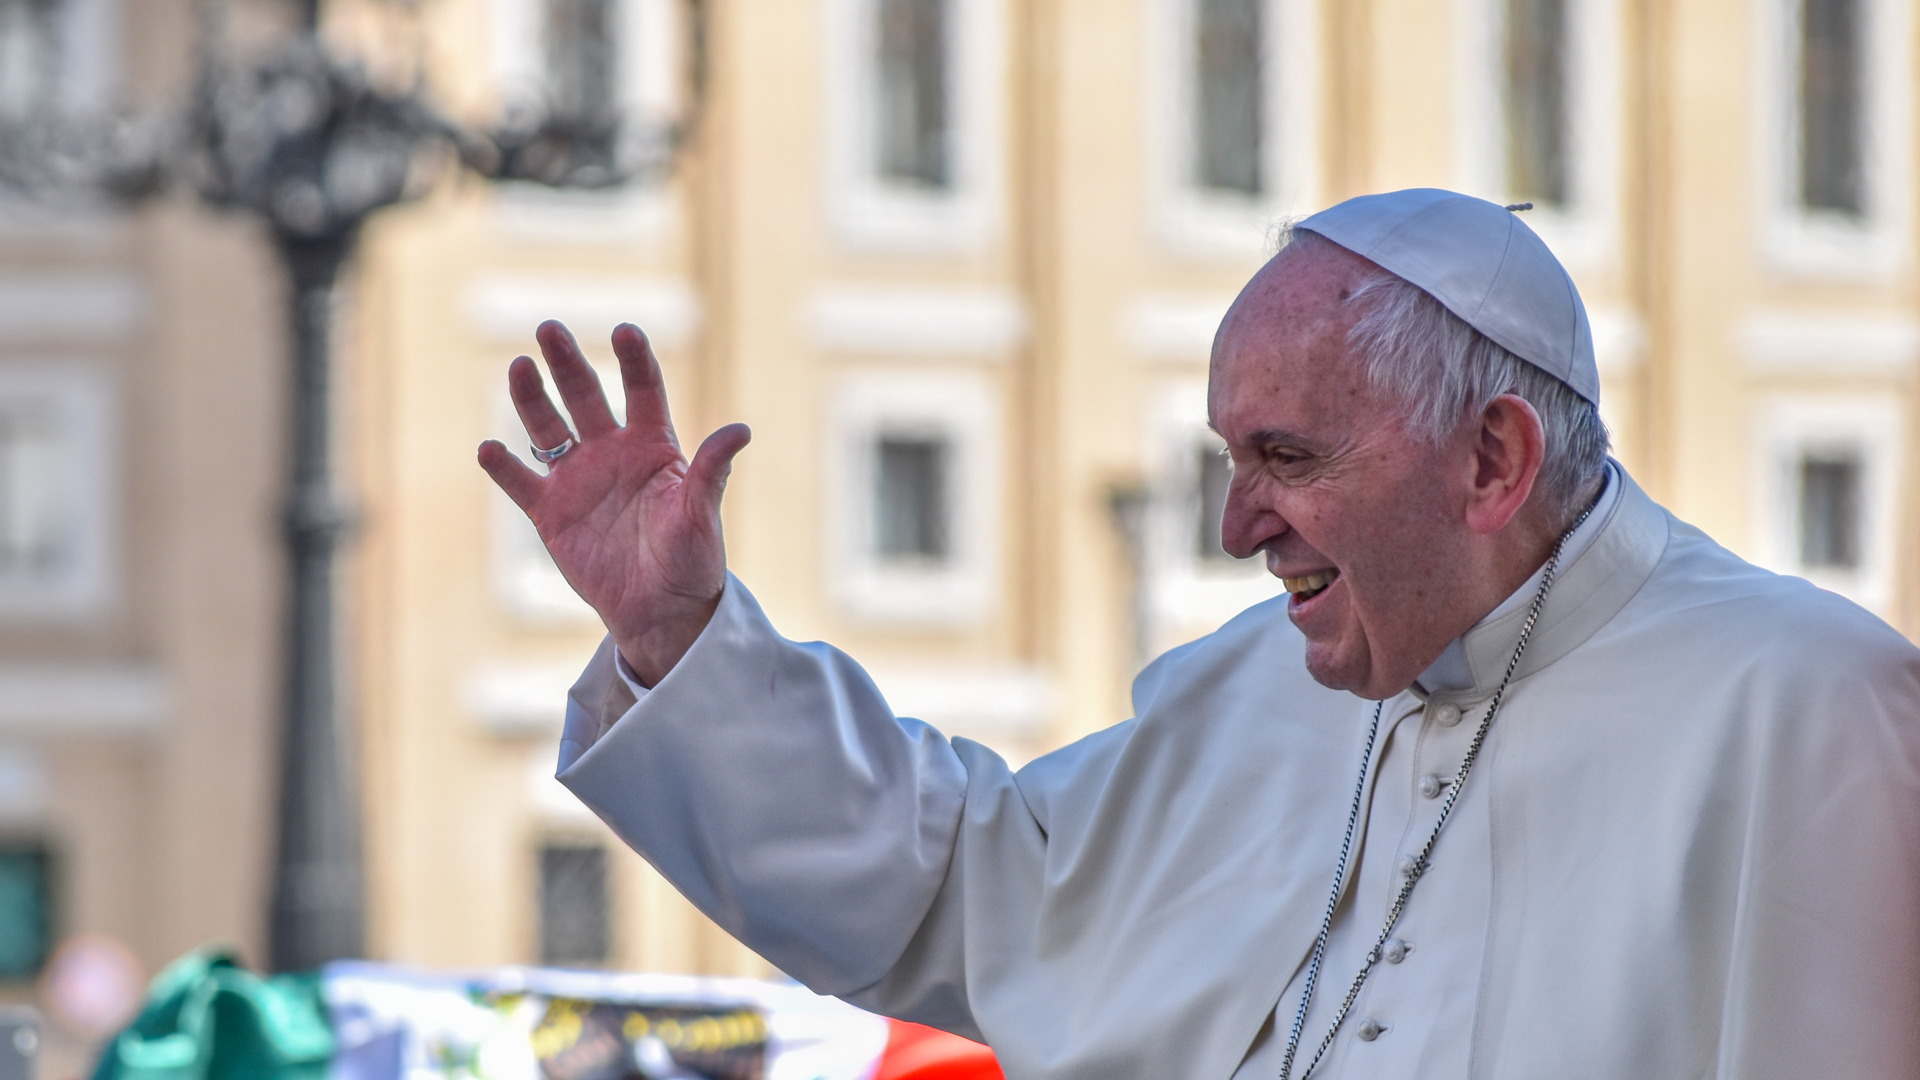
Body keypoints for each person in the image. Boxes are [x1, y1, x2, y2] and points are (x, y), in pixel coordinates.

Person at [477, 189, 1920, 1080]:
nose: (1240, 529)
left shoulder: (1805, 707)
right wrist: (681, 635)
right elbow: (959, 891)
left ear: (1491, 462)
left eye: (1288, 460)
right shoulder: (1255, 691)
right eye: (1230, 462)